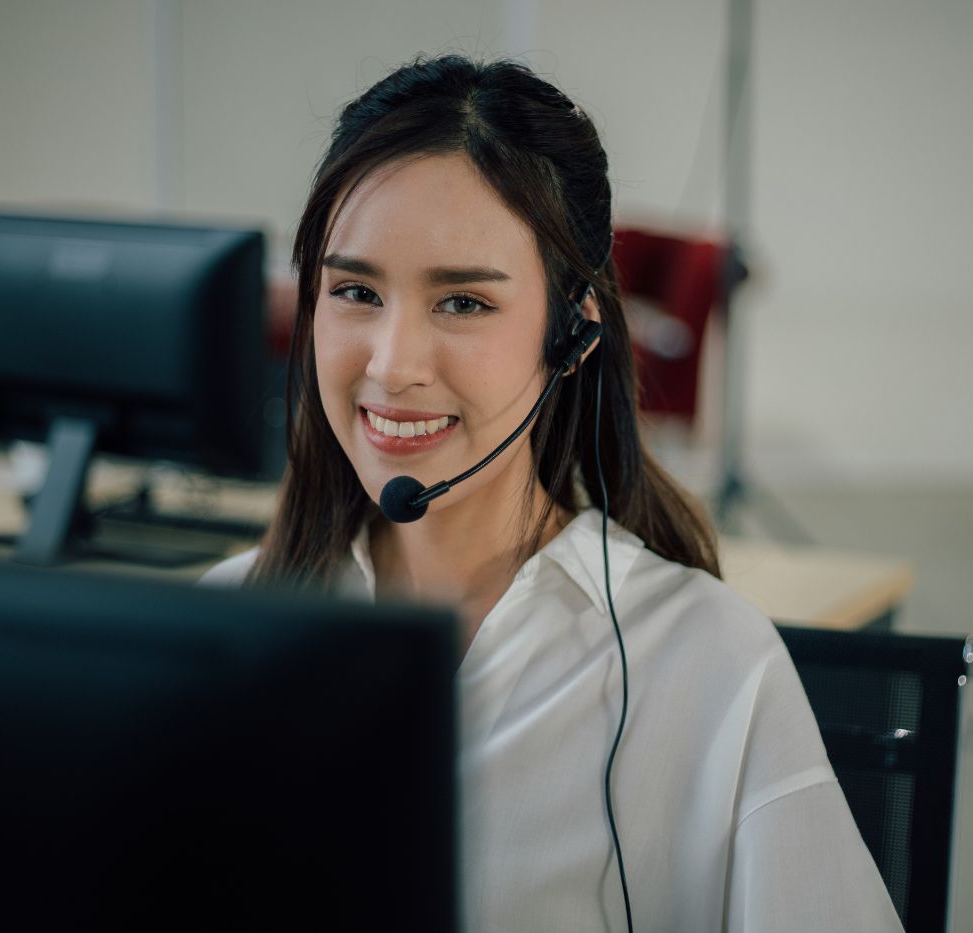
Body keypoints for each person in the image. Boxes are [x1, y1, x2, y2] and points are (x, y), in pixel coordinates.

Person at [203, 54, 901, 932]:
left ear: (571, 335)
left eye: (462, 302)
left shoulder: (707, 665)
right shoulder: (218, 632)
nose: (390, 365)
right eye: (354, 291)